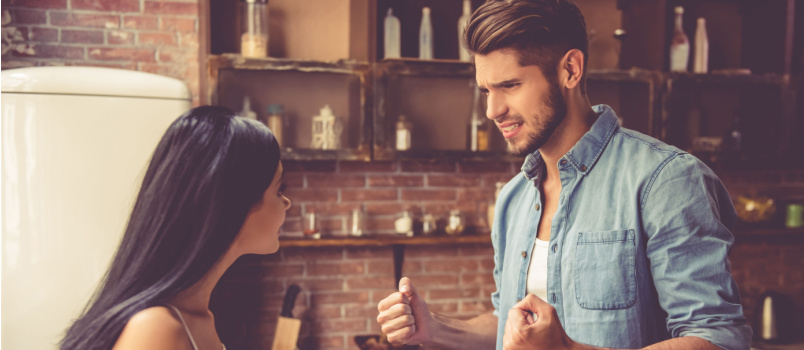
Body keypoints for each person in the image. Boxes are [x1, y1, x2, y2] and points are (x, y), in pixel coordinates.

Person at [376, 1, 752, 349]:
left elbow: (716, 337)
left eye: (510, 85)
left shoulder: (665, 180)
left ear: (570, 69)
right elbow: (508, 322)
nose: (492, 110)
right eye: (486, 90)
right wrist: (436, 328)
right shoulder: (513, 198)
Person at [60, 106, 292, 350]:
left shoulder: (200, 318)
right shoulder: (155, 328)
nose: (287, 203)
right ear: (234, 202)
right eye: (278, 190)